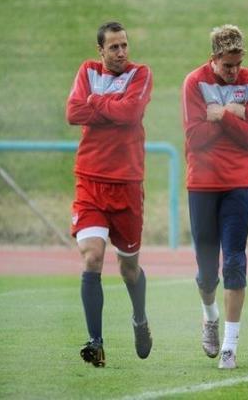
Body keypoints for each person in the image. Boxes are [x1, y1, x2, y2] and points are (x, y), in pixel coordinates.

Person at [66, 21, 153, 367]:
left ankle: (140, 319)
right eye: (114, 47)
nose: (121, 52)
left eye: (124, 45)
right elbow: (73, 112)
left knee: (129, 269)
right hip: (89, 181)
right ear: (100, 50)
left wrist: (96, 102)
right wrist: (111, 106)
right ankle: (96, 342)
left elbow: (131, 113)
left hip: (127, 184)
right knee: (92, 257)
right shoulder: (87, 71)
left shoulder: (140, 74)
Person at [181, 25, 248, 369]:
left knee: (234, 262)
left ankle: (230, 346)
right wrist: (234, 115)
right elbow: (195, 137)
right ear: (213, 58)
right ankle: (209, 315)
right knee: (206, 272)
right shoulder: (194, 82)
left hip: (238, 183)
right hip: (202, 183)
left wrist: (221, 115)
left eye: (238, 64)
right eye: (227, 65)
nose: (234, 71)